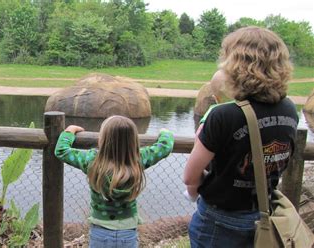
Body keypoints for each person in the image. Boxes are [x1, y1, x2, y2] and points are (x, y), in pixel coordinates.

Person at [183, 26, 298, 248]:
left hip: (218, 221)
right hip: (262, 213)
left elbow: (190, 176)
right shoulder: (289, 109)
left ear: (235, 64)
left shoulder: (224, 115)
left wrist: (193, 193)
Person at [55, 115, 174, 247]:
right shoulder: (138, 160)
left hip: (99, 232)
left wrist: (70, 131)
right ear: (133, 141)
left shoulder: (92, 161)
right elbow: (165, 147)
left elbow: (61, 151)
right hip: (127, 232)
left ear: (103, 139)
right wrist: (165, 133)